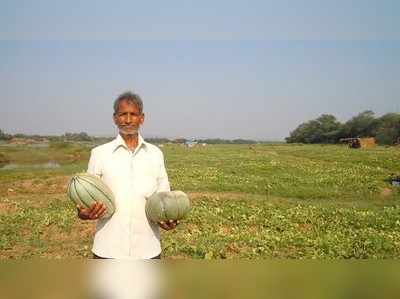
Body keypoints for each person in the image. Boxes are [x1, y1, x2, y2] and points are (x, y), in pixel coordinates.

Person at [76, 91, 177, 259]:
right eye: (123, 114)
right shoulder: (99, 154)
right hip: (108, 250)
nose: (128, 120)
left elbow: (164, 198)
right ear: (115, 118)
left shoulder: (155, 154)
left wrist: (168, 217)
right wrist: (83, 213)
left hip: (148, 250)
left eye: (133, 114)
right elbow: (85, 197)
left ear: (142, 118)